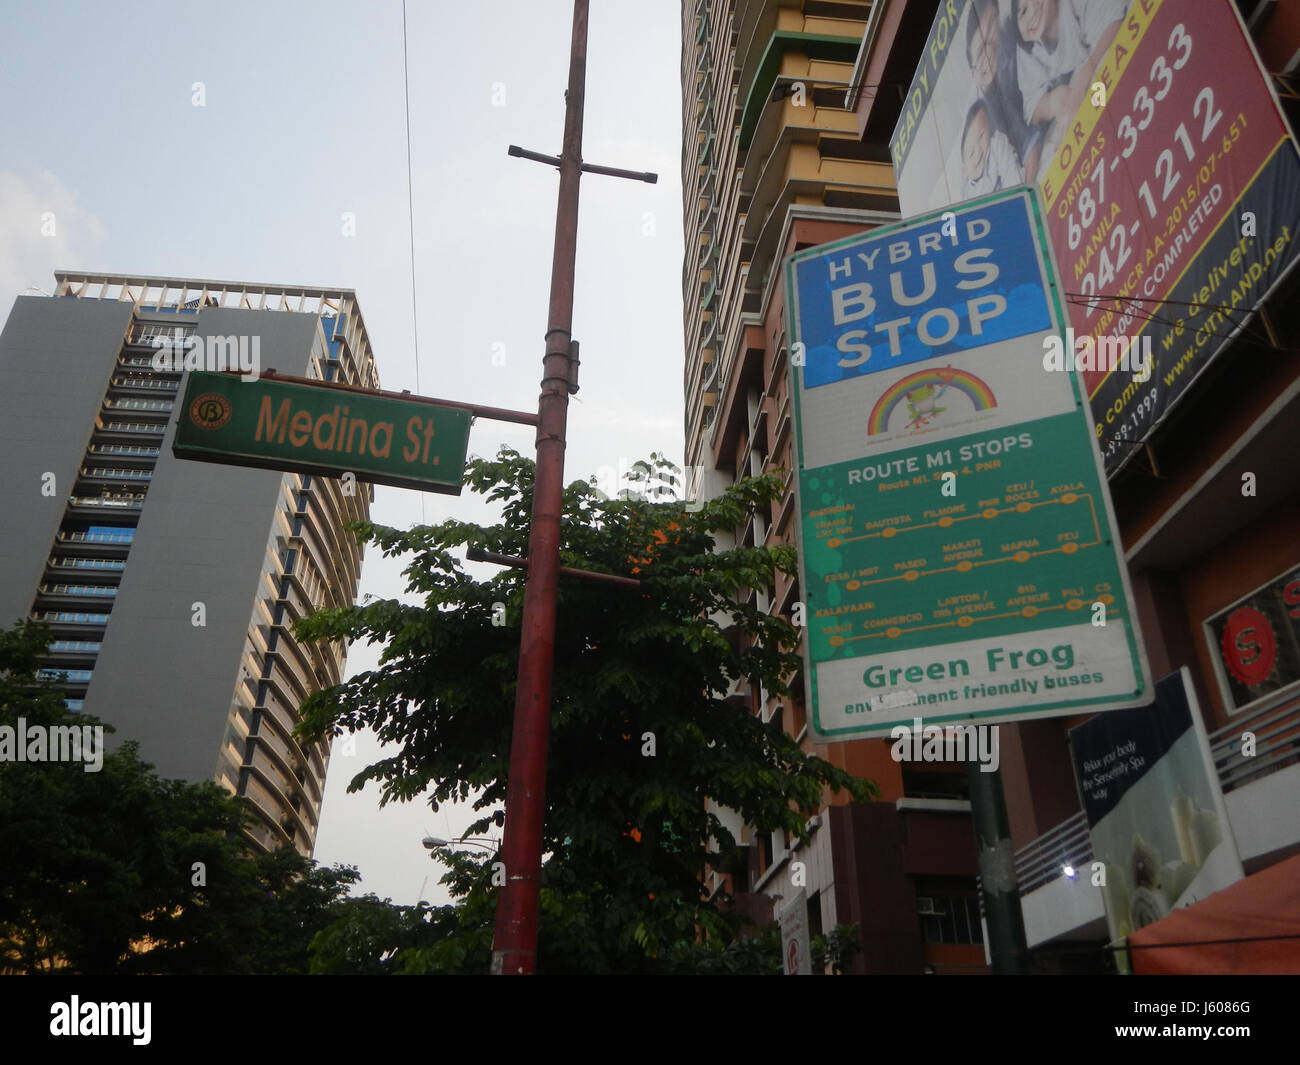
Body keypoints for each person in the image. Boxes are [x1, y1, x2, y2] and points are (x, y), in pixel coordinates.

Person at [1012, 0, 1126, 173]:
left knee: (1101, 97)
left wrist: (1081, 85)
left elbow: (1114, 23)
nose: (1033, 11)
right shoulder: (1028, 49)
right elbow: (1032, 107)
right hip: (1075, 81)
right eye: (1023, 12)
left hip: (1106, 48)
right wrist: (1054, 100)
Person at [960, 99, 1019, 196]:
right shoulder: (967, 189)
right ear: (964, 170)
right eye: (971, 153)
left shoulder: (996, 144)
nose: (978, 151)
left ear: (990, 130)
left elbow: (1013, 178)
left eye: (981, 136)